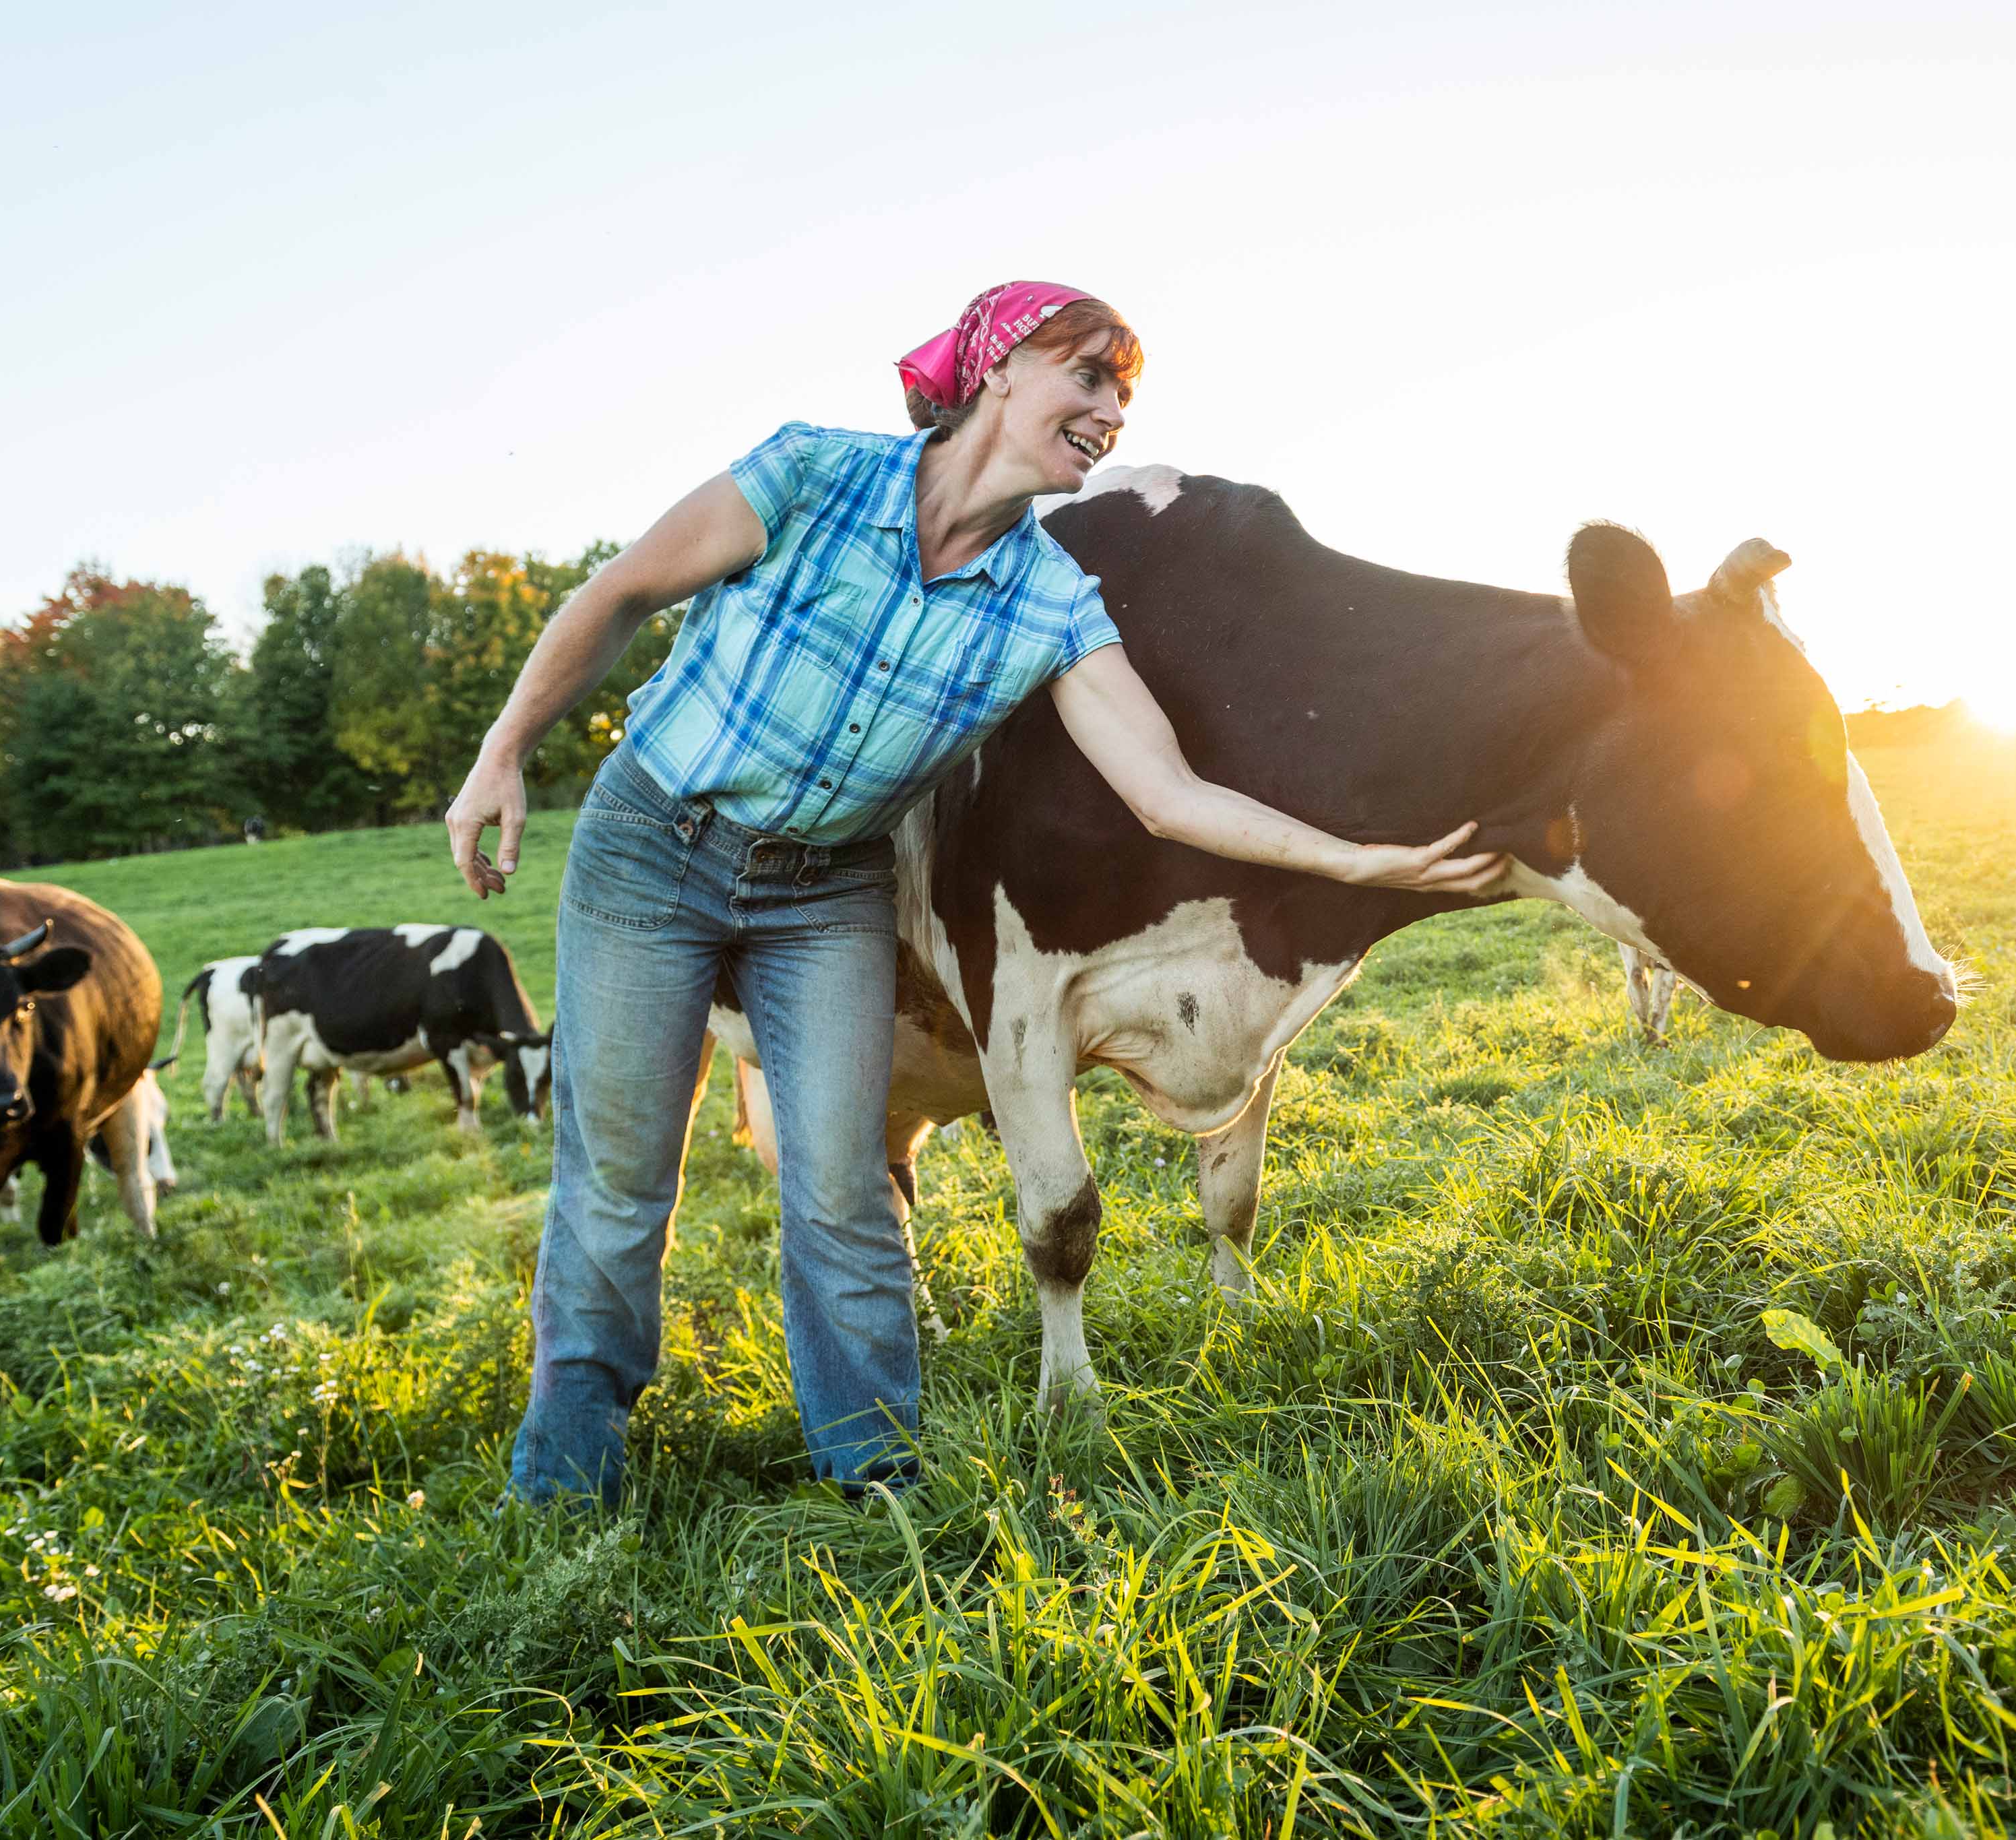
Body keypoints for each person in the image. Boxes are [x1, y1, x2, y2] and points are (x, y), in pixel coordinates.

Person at [448, 282, 1505, 1506]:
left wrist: (1359, 861)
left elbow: (1166, 791)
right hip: (651, 848)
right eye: (1089, 377)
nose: (1111, 412)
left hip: (823, 889)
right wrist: (505, 750)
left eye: (1126, 393)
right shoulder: (810, 475)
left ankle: (875, 1467)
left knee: (842, 1180)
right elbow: (624, 588)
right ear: (999, 368)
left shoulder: (1053, 602)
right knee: (621, 1180)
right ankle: (569, 1482)